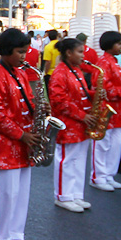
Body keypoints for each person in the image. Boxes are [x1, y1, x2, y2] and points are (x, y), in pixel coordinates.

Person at [0, 28, 41, 240]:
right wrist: (21, 134)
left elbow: (27, 101)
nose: (24, 56)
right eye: (20, 52)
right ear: (6, 51)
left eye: (25, 51)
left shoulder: (20, 72)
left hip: (23, 140)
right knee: (6, 192)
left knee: (22, 192)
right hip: (5, 142)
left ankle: (15, 234)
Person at [49, 37, 97, 213]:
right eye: (80, 52)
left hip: (81, 123)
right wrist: (82, 115)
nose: (83, 55)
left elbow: (81, 93)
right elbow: (59, 101)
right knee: (67, 160)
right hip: (68, 123)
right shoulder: (60, 73)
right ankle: (63, 196)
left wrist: (95, 93)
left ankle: (76, 194)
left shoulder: (76, 70)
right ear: (68, 53)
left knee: (79, 160)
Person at [91, 31, 121, 192]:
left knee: (116, 143)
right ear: (110, 45)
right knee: (103, 144)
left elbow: (115, 84)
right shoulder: (103, 63)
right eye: (118, 44)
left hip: (118, 110)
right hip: (107, 109)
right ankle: (98, 176)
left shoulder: (114, 61)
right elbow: (105, 89)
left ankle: (109, 174)